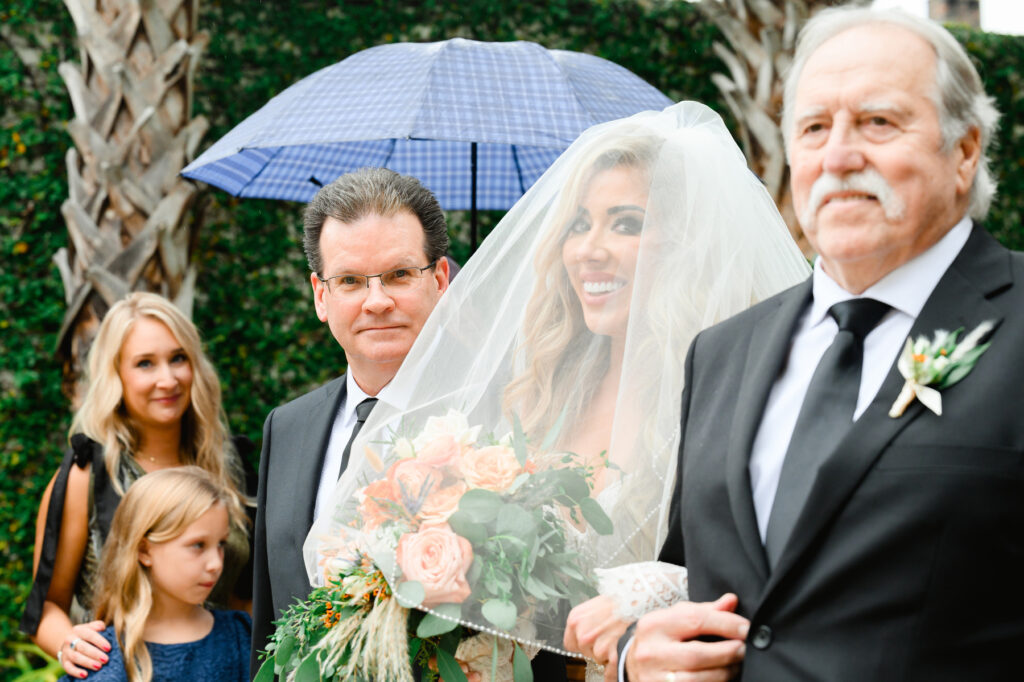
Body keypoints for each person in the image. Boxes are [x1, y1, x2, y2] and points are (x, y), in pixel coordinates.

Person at [305, 102, 809, 680]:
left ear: (687, 244)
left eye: (626, 223)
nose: (589, 248)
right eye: (578, 224)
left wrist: (657, 591)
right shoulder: (538, 391)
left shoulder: (734, 402)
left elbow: (779, 588)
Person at [619, 7, 1023, 681]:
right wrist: (640, 654)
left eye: (878, 122)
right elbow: (693, 575)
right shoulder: (722, 352)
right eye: (813, 128)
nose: (838, 156)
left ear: (965, 150)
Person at [250, 167, 453, 674]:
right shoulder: (286, 428)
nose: (377, 301)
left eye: (400, 274)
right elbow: (269, 624)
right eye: (350, 281)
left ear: (441, 280)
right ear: (322, 295)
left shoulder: (491, 419)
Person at [23, 292, 253, 679]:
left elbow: (245, 598)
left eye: (178, 358)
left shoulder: (231, 466)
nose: (168, 379)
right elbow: (45, 609)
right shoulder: (87, 474)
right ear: (117, 375)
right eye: (145, 364)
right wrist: (72, 645)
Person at [58, 466, 251, 681]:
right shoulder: (100, 655)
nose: (216, 563)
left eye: (221, 544)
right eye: (198, 545)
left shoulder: (240, 636)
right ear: (144, 550)